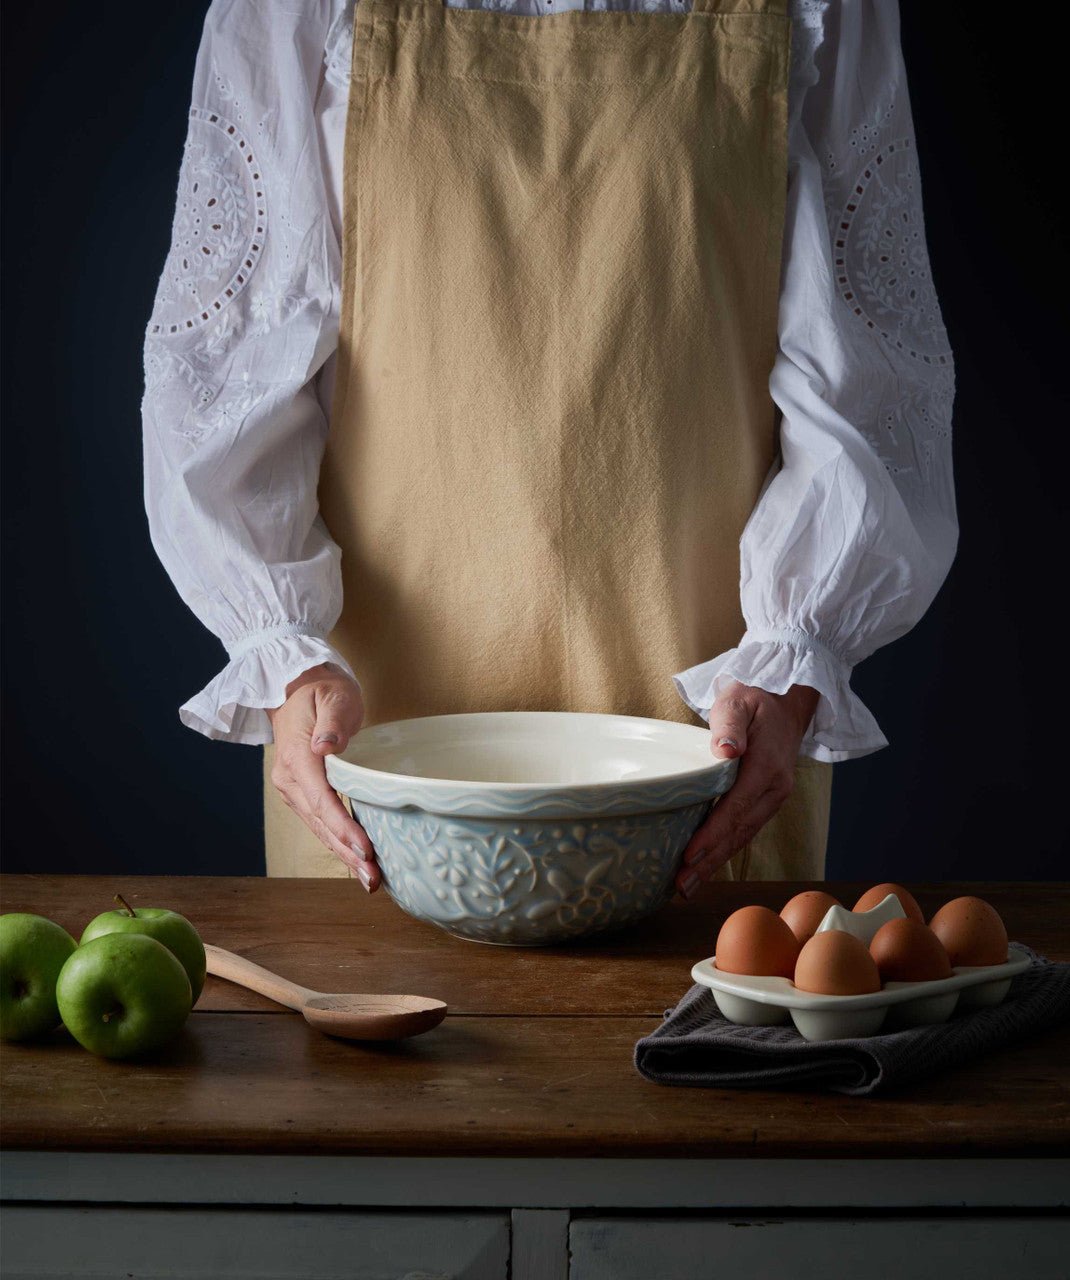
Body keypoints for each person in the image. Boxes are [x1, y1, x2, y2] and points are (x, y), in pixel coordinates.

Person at [141, 0, 956, 897]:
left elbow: (866, 368)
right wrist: (282, 657)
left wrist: (797, 662)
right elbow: (227, 363)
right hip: (379, 752)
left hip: (708, 734)